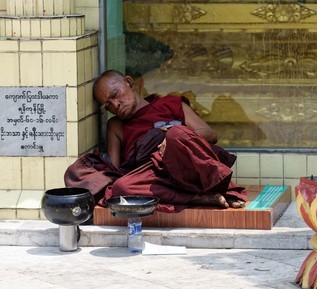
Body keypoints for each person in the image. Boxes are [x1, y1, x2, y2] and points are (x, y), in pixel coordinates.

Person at [64, 70, 247, 212]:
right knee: (121, 187)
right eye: (108, 105)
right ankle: (198, 198)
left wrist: (168, 134)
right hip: (154, 177)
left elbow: (210, 134)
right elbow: (115, 170)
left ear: (129, 82)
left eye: (115, 95)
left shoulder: (170, 104)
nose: (115, 105)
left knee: (177, 135)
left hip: (186, 166)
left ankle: (200, 190)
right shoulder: (116, 126)